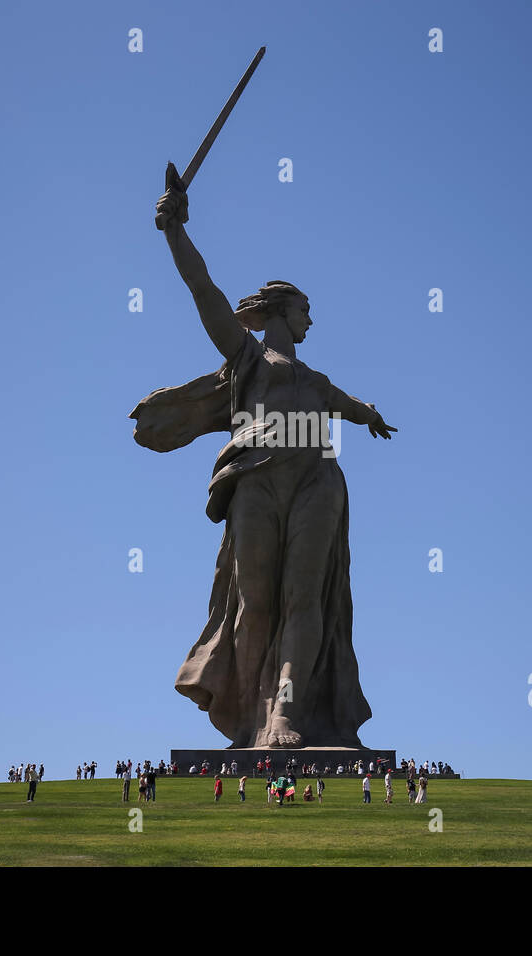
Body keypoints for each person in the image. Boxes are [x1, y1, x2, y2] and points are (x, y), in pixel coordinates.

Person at [145, 174, 396, 750]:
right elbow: (204, 291)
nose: (311, 320)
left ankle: (284, 715)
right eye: (306, 310)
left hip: (317, 481)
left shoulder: (316, 379)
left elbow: (349, 406)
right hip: (256, 478)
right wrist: (176, 230)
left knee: (305, 601)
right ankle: (249, 719)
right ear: (283, 312)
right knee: (255, 603)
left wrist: (370, 415)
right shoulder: (248, 358)